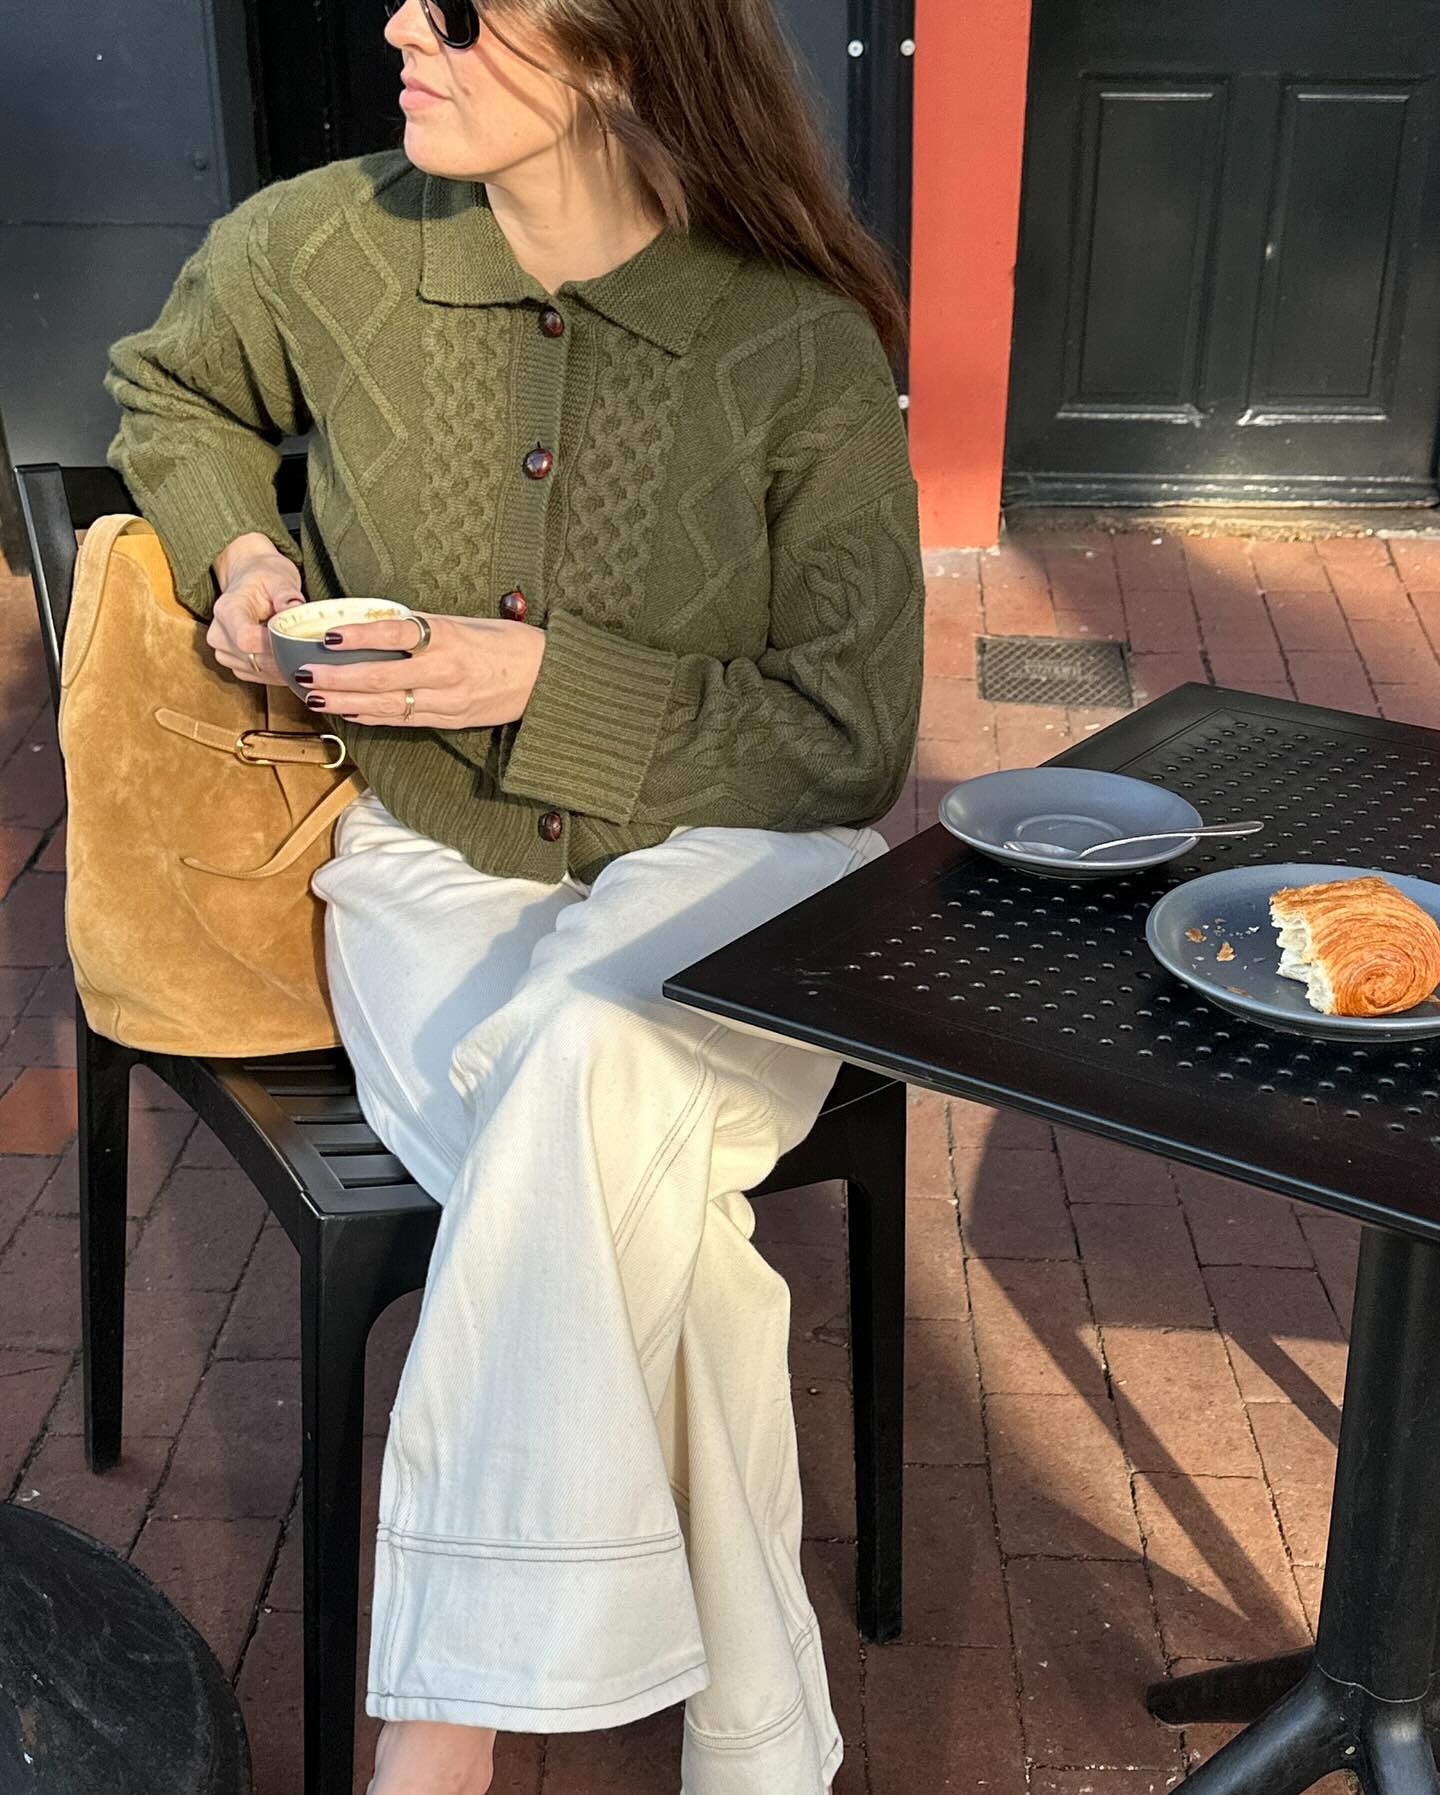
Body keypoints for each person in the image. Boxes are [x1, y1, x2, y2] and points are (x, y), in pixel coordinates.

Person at [106, 0, 923, 1788]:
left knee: (581, 1063)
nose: (404, 23)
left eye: (467, 8)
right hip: (434, 875)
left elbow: (850, 740)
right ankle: (760, 1748)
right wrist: (240, 547)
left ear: (628, 48)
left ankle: (439, 1749)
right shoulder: (318, 244)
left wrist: (540, 684)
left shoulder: (795, 343)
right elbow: (170, 393)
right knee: (635, 1181)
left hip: (743, 877)